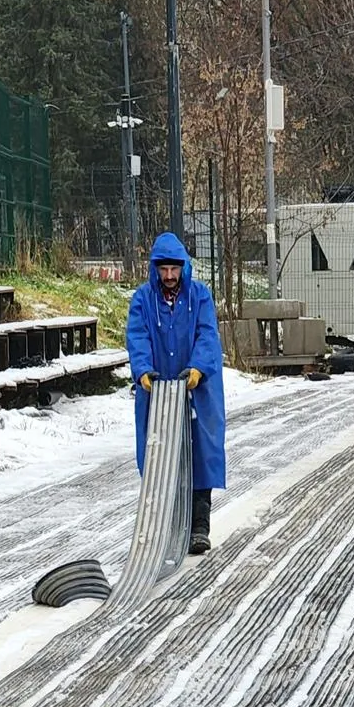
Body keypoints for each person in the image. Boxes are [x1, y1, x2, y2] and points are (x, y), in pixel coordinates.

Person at [125, 232, 226, 554]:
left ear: (184, 267)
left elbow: (207, 334)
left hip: (197, 387)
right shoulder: (144, 299)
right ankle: (168, 525)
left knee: (201, 452)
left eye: (174, 270)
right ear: (155, 269)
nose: (169, 277)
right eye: (163, 270)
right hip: (157, 389)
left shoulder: (199, 297)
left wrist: (198, 367)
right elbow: (137, 336)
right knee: (160, 455)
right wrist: (142, 371)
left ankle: (199, 526)